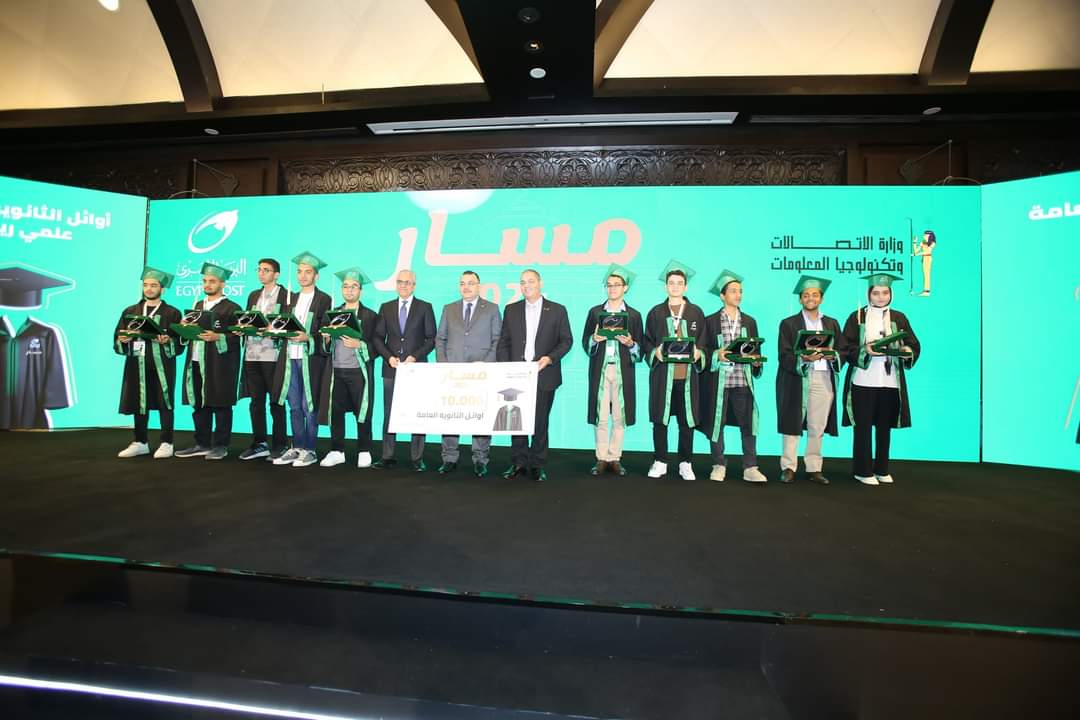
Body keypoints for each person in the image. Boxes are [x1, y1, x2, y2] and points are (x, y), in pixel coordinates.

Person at [841, 273, 921, 485]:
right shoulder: (857, 317)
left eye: (885, 292)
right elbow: (845, 347)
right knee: (863, 427)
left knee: (884, 426)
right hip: (863, 380)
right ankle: (862, 470)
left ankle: (881, 469)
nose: (880, 297)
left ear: (890, 294)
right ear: (869, 294)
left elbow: (913, 344)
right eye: (876, 293)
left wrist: (906, 351)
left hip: (890, 381)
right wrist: (865, 350)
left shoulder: (899, 318)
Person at [496, 269, 573, 482]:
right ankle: (519, 462)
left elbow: (566, 340)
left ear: (540, 283)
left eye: (531, 281)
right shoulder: (511, 309)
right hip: (516, 376)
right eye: (523, 282)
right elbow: (503, 342)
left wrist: (549, 358)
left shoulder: (557, 310)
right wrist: (506, 368)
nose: (526, 285)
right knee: (516, 420)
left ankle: (538, 464)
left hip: (544, 374)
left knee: (540, 421)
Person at [775, 275, 844, 485]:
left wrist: (832, 354)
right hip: (797, 378)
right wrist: (803, 359)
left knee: (818, 425)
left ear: (821, 299)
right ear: (800, 299)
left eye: (815, 295)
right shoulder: (788, 324)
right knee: (792, 423)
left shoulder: (831, 323)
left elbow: (842, 350)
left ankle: (814, 467)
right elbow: (784, 355)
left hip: (823, 377)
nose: (810, 298)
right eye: (806, 295)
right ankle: (788, 467)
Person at [642, 261, 707, 480]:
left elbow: (704, 342)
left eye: (679, 283)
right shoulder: (656, 313)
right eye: (671, 283)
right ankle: (660, 461)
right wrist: (655, 352)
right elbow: (647, 341)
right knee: (660, 420)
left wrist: (699, 353)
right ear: (666, 286)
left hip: (687, 378)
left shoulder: (696, 312)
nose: (675, 286)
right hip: (663, 377)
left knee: (686, 422)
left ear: (686, 287)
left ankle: (685, 463)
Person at [435, 270, 501, 477]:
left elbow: (497, 340)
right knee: (450, 415)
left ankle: (480, 459)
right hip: (452, 373)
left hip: (481, 373)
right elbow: (440, 339)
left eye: (471, 283)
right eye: (463, 283)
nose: (466, 287)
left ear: (478, 286)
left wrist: (486, 364)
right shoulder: (449, 308)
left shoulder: (491, 308)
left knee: (481, 415)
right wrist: (444, 364)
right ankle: (449, 458)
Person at [702, 270, 767, 483]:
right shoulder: (710, 321)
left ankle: (750, 467)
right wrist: (716, 354)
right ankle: (718, 464)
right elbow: (703, 350)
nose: (738, 295)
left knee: (748, 424)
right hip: (719, 382)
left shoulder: (750, 321)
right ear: (722, 295)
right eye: (733, 291)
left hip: (742, 380)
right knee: (717, 424)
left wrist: (756, 361)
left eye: (740, 291)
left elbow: (755, 349)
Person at [271, 251, 332, 468]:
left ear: (316, 276)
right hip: (289, 358)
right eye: (299, 272)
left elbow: (326, 331)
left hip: (310, 361)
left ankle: (310, 449)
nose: (303, 276)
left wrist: (309, 338)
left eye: (308, 272)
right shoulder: (290, 299)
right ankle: (297, 446)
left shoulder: (324, 299)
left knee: (309, 406)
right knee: (294, 405)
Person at [581, 264, 643, 476]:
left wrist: (631, 344)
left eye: (617, 285)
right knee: (601, 416)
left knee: (619, 415)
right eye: (609, 285)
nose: (612, 288)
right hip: (600, 369)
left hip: (622, 370)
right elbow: (585, 341)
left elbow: (641, 348)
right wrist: (594, 339)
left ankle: (615, 457)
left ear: (625, 288)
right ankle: (601, 458)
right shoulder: (595, 312)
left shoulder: (633, 315)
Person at [175, 263, 242, 460]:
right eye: (205, 281)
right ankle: (201, 443)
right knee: (198, 403)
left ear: (222, 284)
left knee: (221, 404)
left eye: (212, 281)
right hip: (196, 361)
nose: (207, 284)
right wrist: (184, 328)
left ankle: (221, 445)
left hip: (220, 364)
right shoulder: (197, 306)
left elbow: (238, 336)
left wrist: (218, 336)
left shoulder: (232, 308)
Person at [115, 266, 182, 459]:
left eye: (153, 285)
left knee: (164, 401)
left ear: (162, 289)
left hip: (162, 365)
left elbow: (179, 341)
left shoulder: (172, 313)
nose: (149, 289)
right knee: (139, 401)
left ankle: (167, 442)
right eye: (146, 285)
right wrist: (124, 339)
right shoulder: (131, 311)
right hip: (137, 364)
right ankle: (140, 442)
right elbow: (118, 337)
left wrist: (167, 340)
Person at [372, 269, 436, 470]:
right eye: (400, 281)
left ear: (414, 285)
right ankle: (387, 455)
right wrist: (388, 357)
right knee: (389, 413)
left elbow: (431, 338)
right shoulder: (386, 307)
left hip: (416, 369)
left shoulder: (425, 307)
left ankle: (417, 458)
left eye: (407, 282)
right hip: (391, 368)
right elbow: (377, 337)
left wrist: (414, 356)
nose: (403, 285)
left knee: (417, 412)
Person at [317, 267, 379, 469]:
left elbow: (377, 345)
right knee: (336, 412)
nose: (349, 290)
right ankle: (337, 451)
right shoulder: (332, 314)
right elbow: (324, 347)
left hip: (359, 372)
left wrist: (359, 344)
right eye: (345, 286)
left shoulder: (370, 316)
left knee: (363, 411)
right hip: (336, 371)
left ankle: (364, 450)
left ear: (360, 290)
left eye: (354, 286)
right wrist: (326, 339)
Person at [236, 258, 289, 461]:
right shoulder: (253, 295)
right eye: (259, 269)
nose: (261, 273)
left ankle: (280, 445)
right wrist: (242, 328)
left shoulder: (286, 296)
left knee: (276, 402)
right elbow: (247, 319)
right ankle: (259, 443)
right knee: (256, 402)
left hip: (273, 356)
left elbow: (289, 324)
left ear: (276, 274)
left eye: (266, 270)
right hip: (252, 354)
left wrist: (272, 329)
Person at [913, 229, 936, 296]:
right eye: (924, 234)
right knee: (925, 275)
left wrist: (917, 254)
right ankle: (925, 290)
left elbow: (927, 251)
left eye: (925, 234)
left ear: (929, 235)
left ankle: (927, 291)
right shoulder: (923, 241)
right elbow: (916, 251)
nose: (924, 236)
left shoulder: (933, 243)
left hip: (928, 258)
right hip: (923, 259)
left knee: (927, 275)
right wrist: (914, 242)